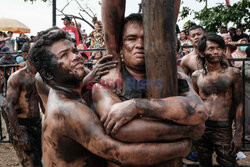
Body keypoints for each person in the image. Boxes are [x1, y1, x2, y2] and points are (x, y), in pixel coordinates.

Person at [30, 29, 194, 167]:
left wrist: (91, 77)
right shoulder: (68, 109)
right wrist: (183, 144)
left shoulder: (59, 87)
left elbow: (68, 83)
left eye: (74, 51)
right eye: (64, 55)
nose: (75, 57)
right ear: (48, 73)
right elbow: (119, 154)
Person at [92, 13, 208, 167]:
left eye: (146, 38)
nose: (140, 44)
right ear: (121, 45)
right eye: (131, 38)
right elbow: (123, 130)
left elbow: (198, 112)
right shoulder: (107, 81)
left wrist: (137, 106)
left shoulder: (175, 75)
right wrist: (186, 133)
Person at [192, 33, 243, 167]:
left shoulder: (233, 74)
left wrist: (238, 134)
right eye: (211, 48)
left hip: (223, 128)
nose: (216, 52)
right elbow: (194, 104)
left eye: (219, 48)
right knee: (204, 162)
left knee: (228, 163)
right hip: (202, 127)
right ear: (202, 53)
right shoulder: (196, 76)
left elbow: (239, 104)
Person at [5, 42, 42, 167]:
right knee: (31, 163)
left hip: (38, 124)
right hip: (22, 125)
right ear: (26, 55)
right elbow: (8, 106)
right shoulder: (17, 78)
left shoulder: (42, 76)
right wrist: (20, 134)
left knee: (42, 161)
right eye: (34, 50)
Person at [244, 46, 250, 141]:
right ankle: (247, 135)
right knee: (248, 115)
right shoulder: (246, 62)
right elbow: (247, 73)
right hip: (248, 93)